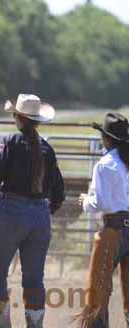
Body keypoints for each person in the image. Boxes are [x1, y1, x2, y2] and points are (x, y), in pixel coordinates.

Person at [0, 94, 65, 328]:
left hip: (11, 212)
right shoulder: (47, 150)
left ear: (17, 117)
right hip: (40, 216)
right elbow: (59, 193)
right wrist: (45, 211)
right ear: (37, 121)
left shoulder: (7, 142)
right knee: (33, 279)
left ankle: (3, 325)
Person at [77, 112, 129, 327]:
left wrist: (85, 201)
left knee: (97, 291)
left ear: (106, 138)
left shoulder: (105, 165)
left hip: (113, 231)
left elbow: (100, 204)